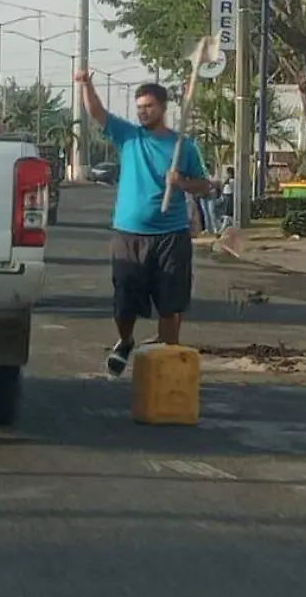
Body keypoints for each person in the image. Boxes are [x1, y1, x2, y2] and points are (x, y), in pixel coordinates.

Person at [77, 68, 217, 376]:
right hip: (129, 234)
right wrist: (87, 84)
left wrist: (181, 182)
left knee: (171, 303)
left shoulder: (183, 146)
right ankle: (125, 341)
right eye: (139, 107)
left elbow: (206, 186)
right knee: (124, 300)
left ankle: (166, 364)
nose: (143, 112)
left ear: (163, 108)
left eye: (149, 106)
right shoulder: (128, 137)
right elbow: (96, 112)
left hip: (171, 235)